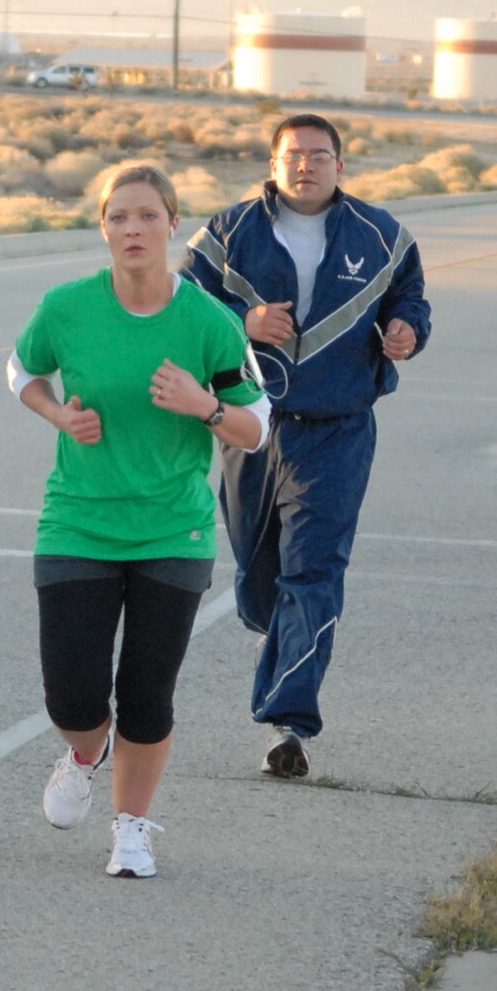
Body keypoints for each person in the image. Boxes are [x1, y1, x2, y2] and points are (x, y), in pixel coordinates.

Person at [10, 164, 270, 878]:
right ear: (103, 227)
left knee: (148, 691)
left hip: (172, 529)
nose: (133, 228)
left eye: (148, 216)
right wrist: (57, 412)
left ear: (172, 224)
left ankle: (131, 828)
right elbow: (20, 370)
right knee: (71, 693)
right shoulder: (66, 307)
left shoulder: (208, 322)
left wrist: (204, 406)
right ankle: (84, 752)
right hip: (77, 521)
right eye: (119, 216)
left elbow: (257, 428)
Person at [184, 113, 430, 780]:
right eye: (294, 155)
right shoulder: (229, 233)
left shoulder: (381, 235)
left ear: (339, 166)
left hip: (338, 430)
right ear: (273, 164)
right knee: (261, 582)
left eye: (320, 155)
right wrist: (245, 321)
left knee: (313, 574)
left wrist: (407, 327)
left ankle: (289, 724)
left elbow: (411, 297)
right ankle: (280, 638)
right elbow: (181, 304)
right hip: (251, 427)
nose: (306, 165)